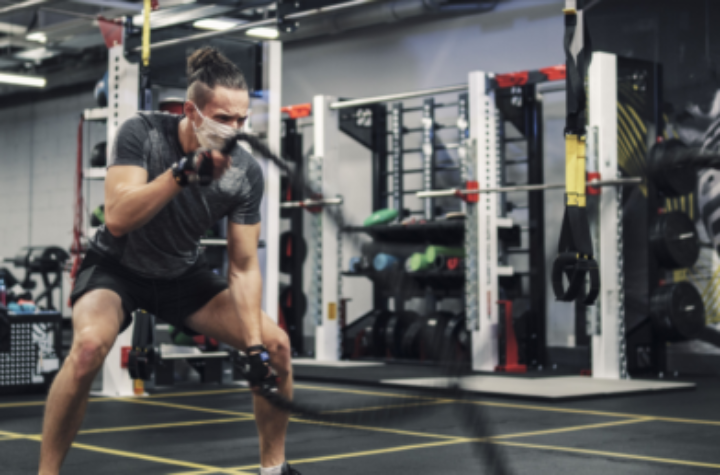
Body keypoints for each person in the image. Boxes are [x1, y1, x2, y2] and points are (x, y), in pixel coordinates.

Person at [38, 46, 299, 475]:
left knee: (277, 348)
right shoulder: (141, 132)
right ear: (193, 112)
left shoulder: (245, 173)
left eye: (241, 119)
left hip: (182, 274)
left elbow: (244, 265)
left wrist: (253, 345)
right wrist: (181, 174)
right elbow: (118, 219)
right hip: (117, 269)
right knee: (86, 350)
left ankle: (273, 469)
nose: (234, 129)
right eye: (223, 118)